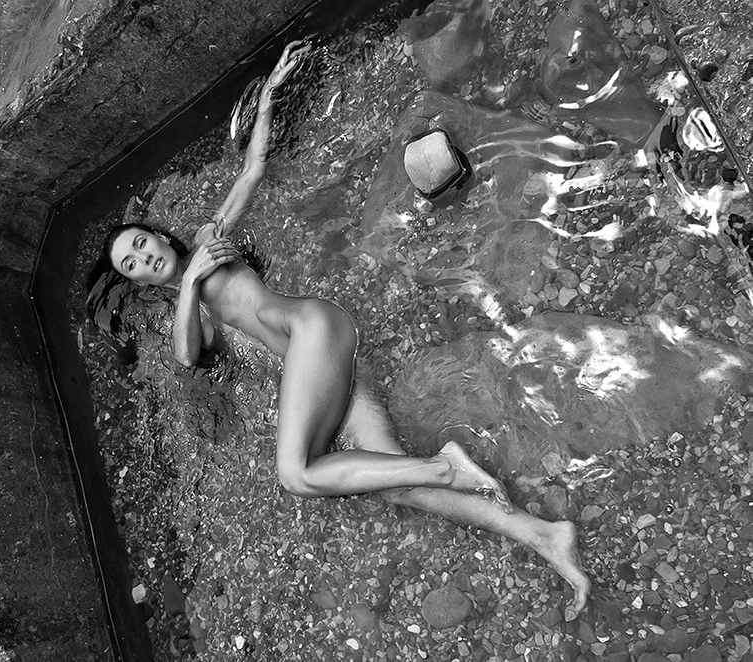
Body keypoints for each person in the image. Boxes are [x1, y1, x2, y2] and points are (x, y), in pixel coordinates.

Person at [103, 41, 590, 618]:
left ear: (159, 236)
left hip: (314, 329)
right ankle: (543, 535)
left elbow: (253, 168)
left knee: (296, 473)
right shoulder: (189, 308)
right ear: (139, 281)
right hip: (328, 372)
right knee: (394, 485)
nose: (144, 257)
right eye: (131, 263)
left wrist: (269, 97)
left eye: (142, 243)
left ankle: (447, 466)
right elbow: (186, 356)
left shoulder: (211, 238)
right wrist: (187, 287)